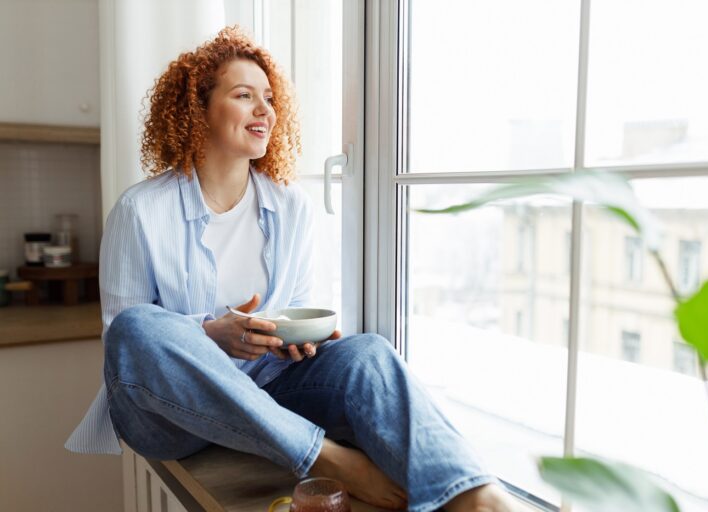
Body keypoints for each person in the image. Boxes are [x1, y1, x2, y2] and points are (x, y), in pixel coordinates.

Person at [66, 26, 518, 512]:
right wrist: (211, 334)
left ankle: (476, 494)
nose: (265, 110)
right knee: (138, 327)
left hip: (270, 389)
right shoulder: (140, 210)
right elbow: (125, 348)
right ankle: (321, 456)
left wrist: (300, 341)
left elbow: (294, 311)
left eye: (268, 97)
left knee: (368, 352)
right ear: (196, 110)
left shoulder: (290, 207)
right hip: (173, 419)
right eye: (244, 95)